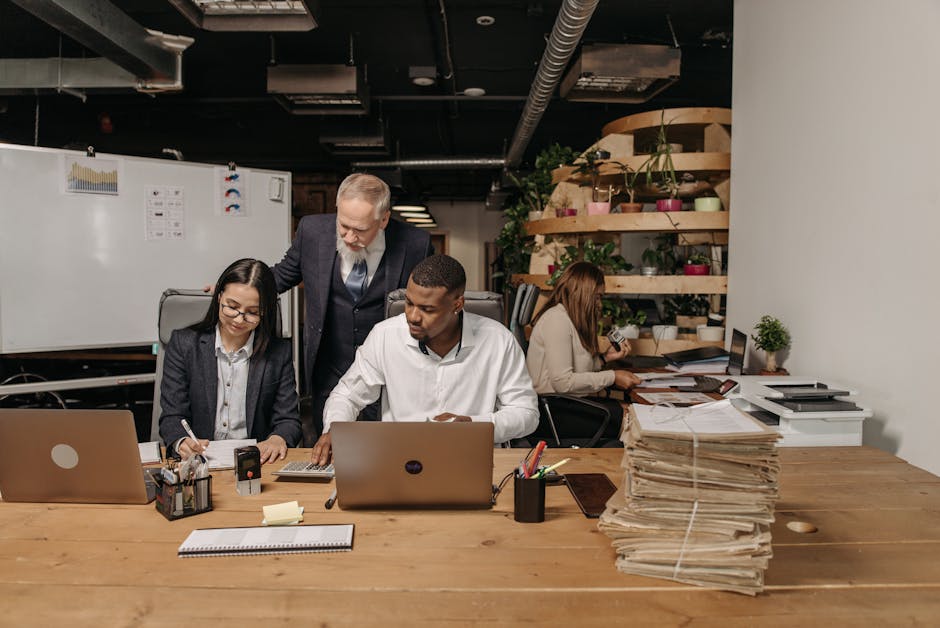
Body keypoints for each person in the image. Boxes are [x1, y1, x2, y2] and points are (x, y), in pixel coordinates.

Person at [310, 254, 538, 465]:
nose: (412, 316)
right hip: (400, 462)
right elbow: (347, 396)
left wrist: (474, 425)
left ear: (457, 305)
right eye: (409, 303)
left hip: (473, 460)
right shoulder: (385, 336)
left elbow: (527, 413)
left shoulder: (499, 341)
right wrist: (335, 429)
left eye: (427, 309)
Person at [272, 173, 433, 443]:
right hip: (329, 369)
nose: (348, 236)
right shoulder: (312, 231)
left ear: (383, 219)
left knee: (387, 453)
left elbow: (431, 305)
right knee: (330, 449)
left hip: (389, 373)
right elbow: (281, 275)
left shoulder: (415, 244)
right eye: (343, 225)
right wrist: (233, 285)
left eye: (359, 230)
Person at [160, 258, 302, 463]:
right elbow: (172, 416)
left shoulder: (278, 353)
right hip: (201, 462)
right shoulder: (184, 344)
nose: (238, 319)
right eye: (232, 307)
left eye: (252, 312)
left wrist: (278, 438)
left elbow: (288, 419)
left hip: (255, 462)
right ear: (219, 297)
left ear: (265, 312)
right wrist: (181, 442)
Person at [526, 262, 641, 440]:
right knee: (631, 419)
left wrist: (604, 358)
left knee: (629, 411)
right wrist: (613, 376)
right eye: (597, 297)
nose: (599, 304)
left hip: (564, 403)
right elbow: (562, 382)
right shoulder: (557, 320)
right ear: (584, 295)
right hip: (552, 412)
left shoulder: (567, 318)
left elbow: (574, 369)